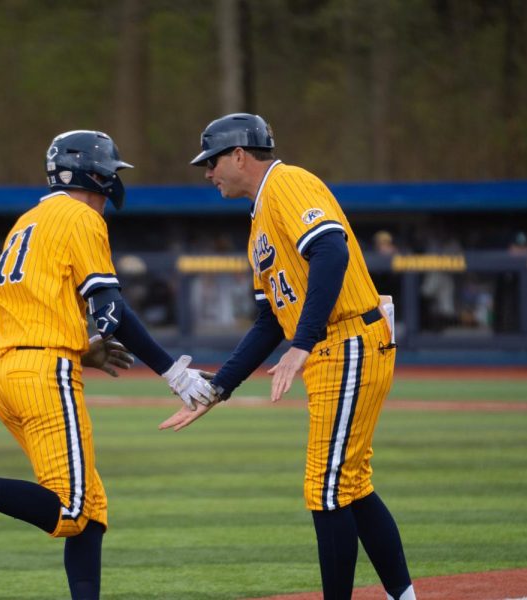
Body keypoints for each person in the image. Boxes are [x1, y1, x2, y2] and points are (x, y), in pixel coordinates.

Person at [0, 130, 216, 600]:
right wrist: (174, 373)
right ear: (95, 175)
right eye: (110, 173)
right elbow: (111, 311)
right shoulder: (80, 216)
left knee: (90, 510)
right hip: (43, 373)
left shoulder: (28, 222)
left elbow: (13, 313)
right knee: (72, 510)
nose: (113, 185)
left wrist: (78, 346)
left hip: (5, 375)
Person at [161, 113, 415, 600]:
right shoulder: (258, 221)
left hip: (348, 341)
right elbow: (268, 322)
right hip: (332, 347)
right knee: (350, 486)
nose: (207, 172)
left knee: (325, 487)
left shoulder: (287, 182)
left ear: (239, 155)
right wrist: (219, 386)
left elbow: (331, 252)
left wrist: (302, 341)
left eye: (212, 161)